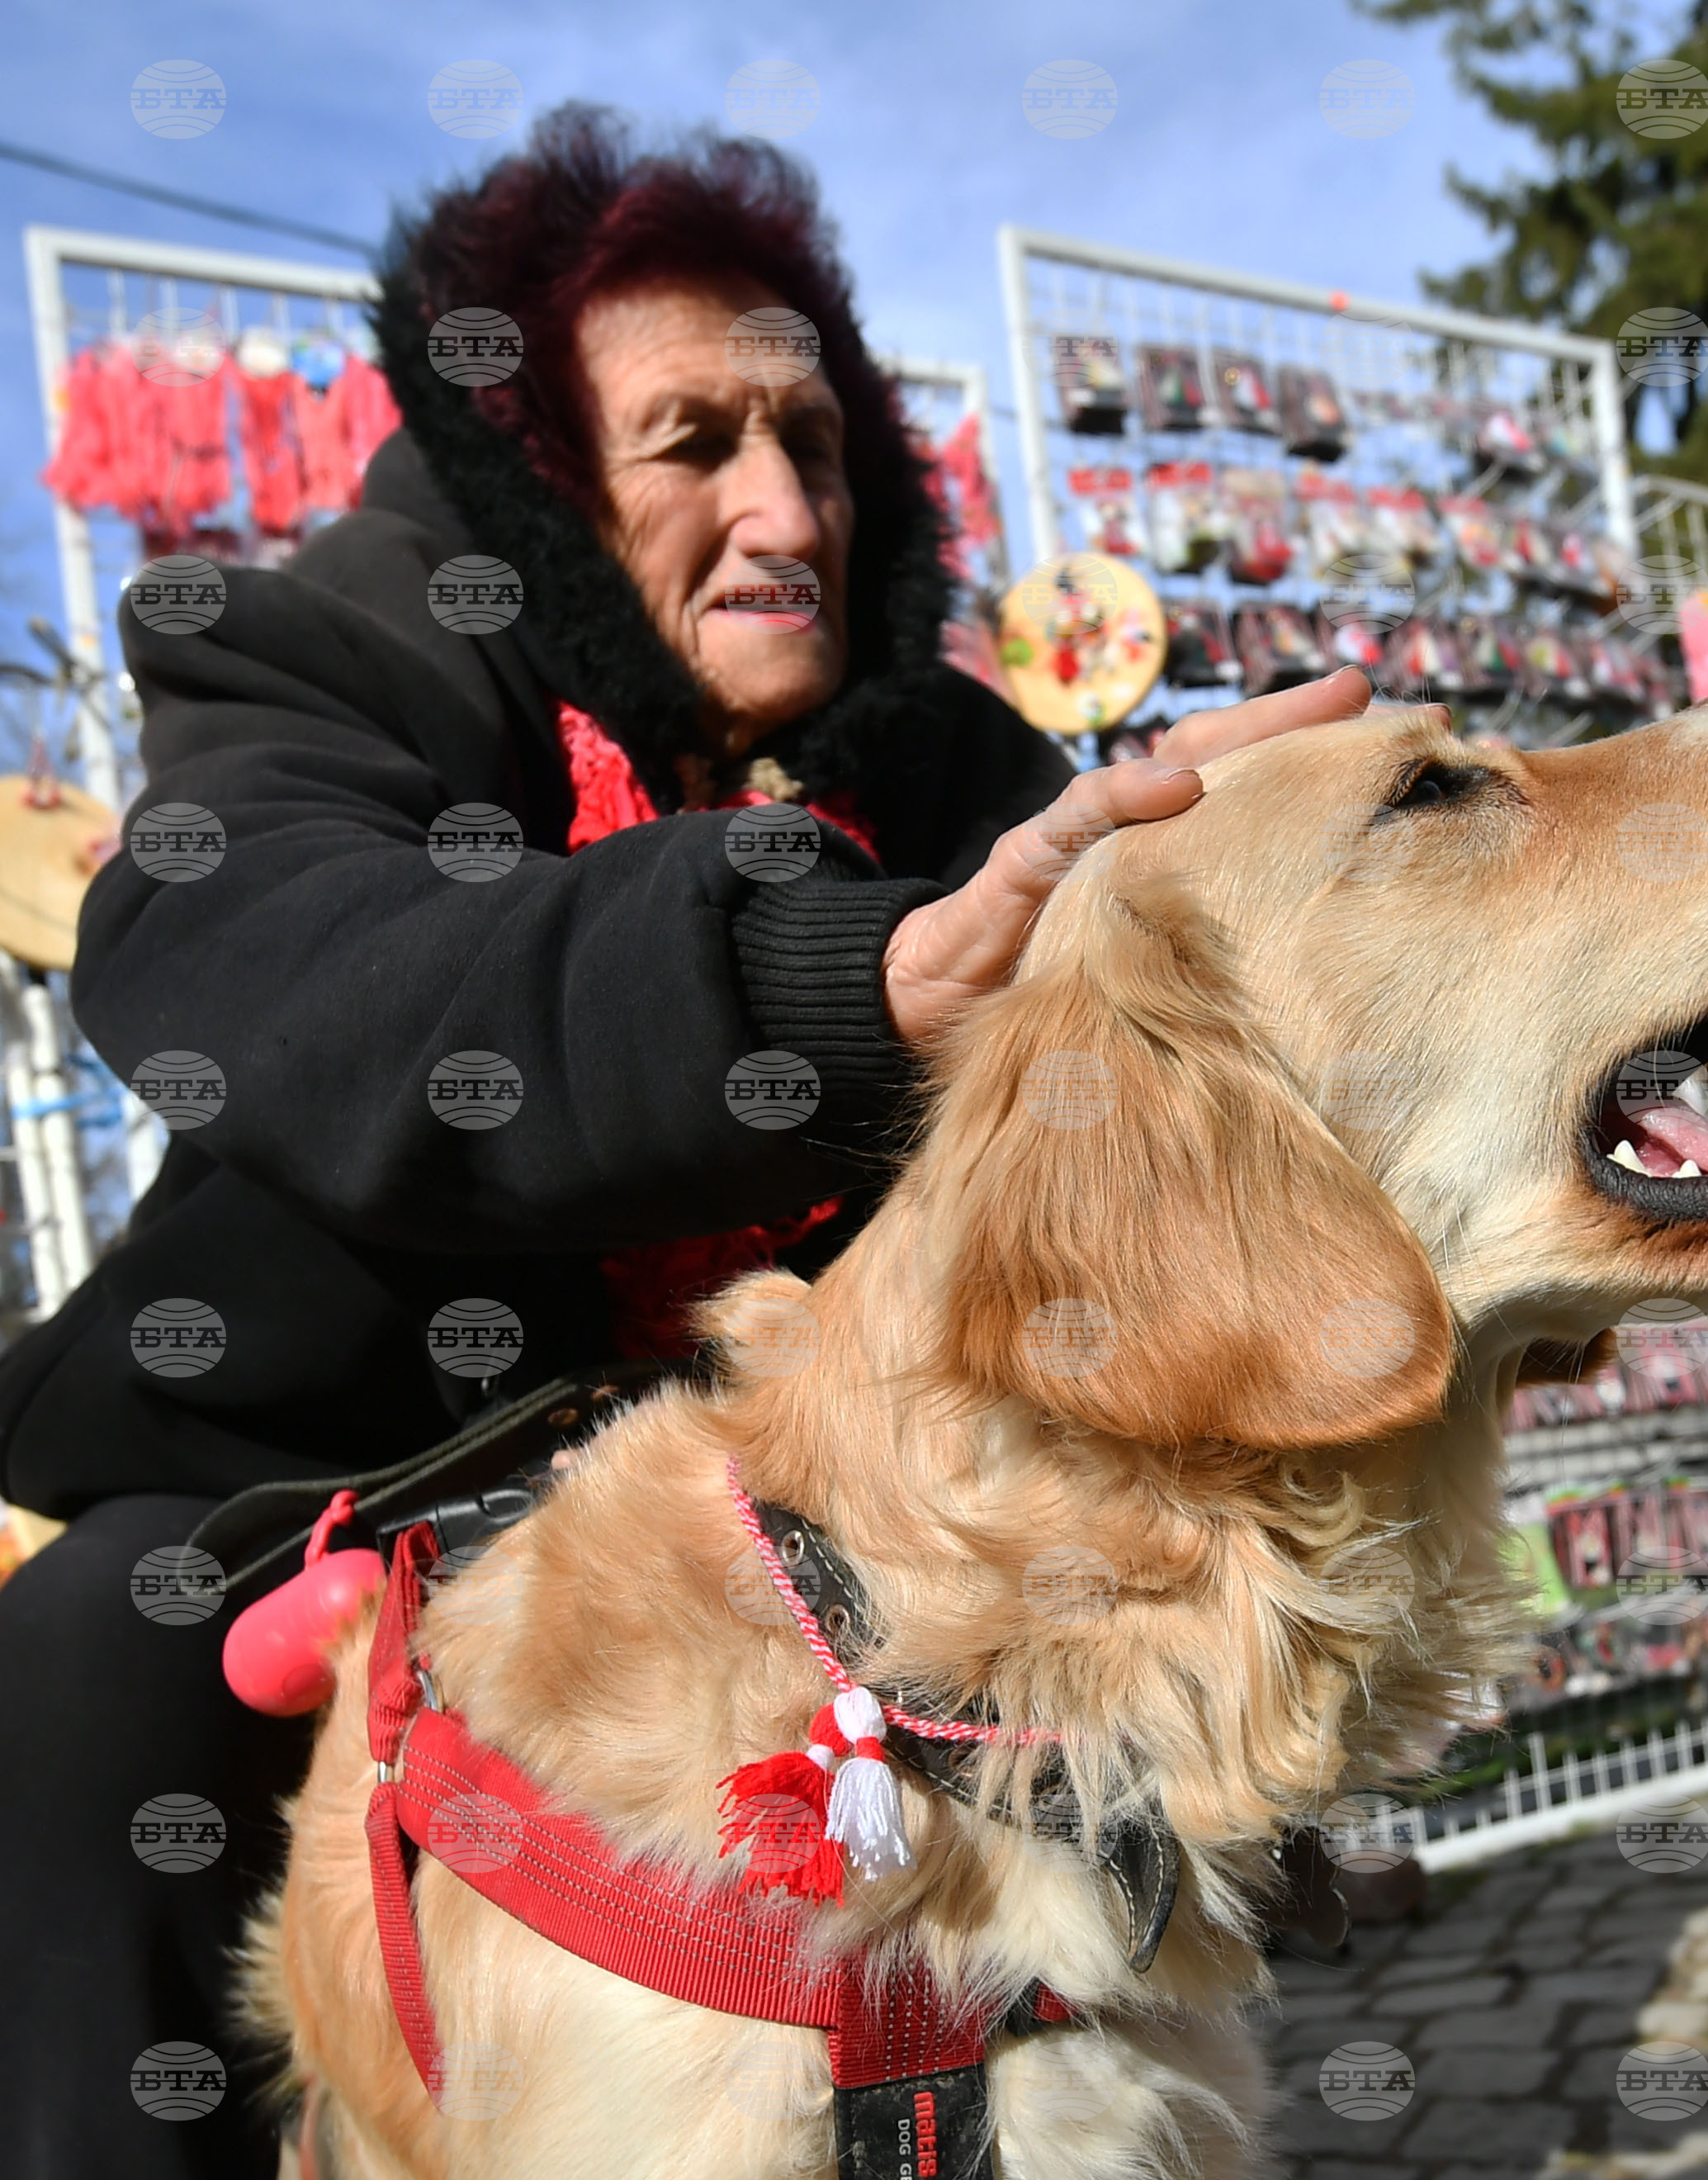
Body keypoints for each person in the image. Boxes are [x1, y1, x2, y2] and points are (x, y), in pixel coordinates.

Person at [0, 105, 1368, 2177]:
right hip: (364, 1481)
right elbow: (264, 956)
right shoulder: (334, 639)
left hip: (835, 1521)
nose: (782, 507)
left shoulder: (966, 761)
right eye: (693, 444)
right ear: (543, 479)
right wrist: (842, 983)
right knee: (88, 1668)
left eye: (815, 442)